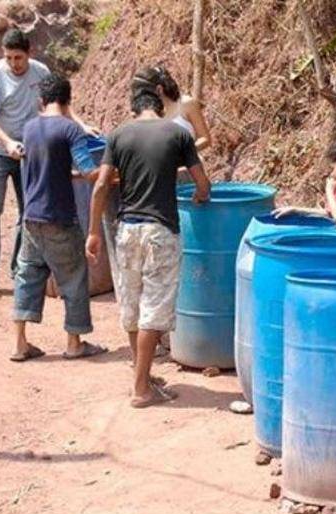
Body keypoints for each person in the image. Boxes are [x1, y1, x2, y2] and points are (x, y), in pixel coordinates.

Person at [85, 89, 211, 409]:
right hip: (160, 233)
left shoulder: (118, 135)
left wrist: (93, 232)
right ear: (160, 109)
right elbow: (202, 182)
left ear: (134, 111)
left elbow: (101, 185)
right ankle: (141, 389)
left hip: (126, 231)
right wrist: (201, 195)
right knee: (153, 312)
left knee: (133, 308)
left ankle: (142, 376)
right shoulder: (178, 134)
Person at [0, 28, 98, 291]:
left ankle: (19, 267)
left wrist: (81, 125)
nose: (14, 63)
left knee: (27, 210)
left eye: (18, 57)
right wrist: (7, 142)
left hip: (30, 151)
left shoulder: (40, 72)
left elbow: (58, 101)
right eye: (8, 58)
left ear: (29, 53)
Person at [11, 73, 108, 362]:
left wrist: (73, 175)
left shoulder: (29, 128)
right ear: (68, 101)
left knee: (27, 275)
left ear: (42, 101)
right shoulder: (70, 129)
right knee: (74, 278)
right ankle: (74, 343)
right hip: (60, 217)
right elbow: (89, 170)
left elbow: (46, 168)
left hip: (31, 217)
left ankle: (20, 344)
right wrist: (111, 174)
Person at [272, 138, 336, 225]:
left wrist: (329, 191)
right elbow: (330, 213)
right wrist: (295, 210)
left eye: (333, 169)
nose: (332, 174)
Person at [130, 66, 212, 151]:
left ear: (159, 89)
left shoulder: (186, 104)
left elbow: (205, 138)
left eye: (144, 94)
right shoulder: (146, 114)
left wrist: (185, 152)